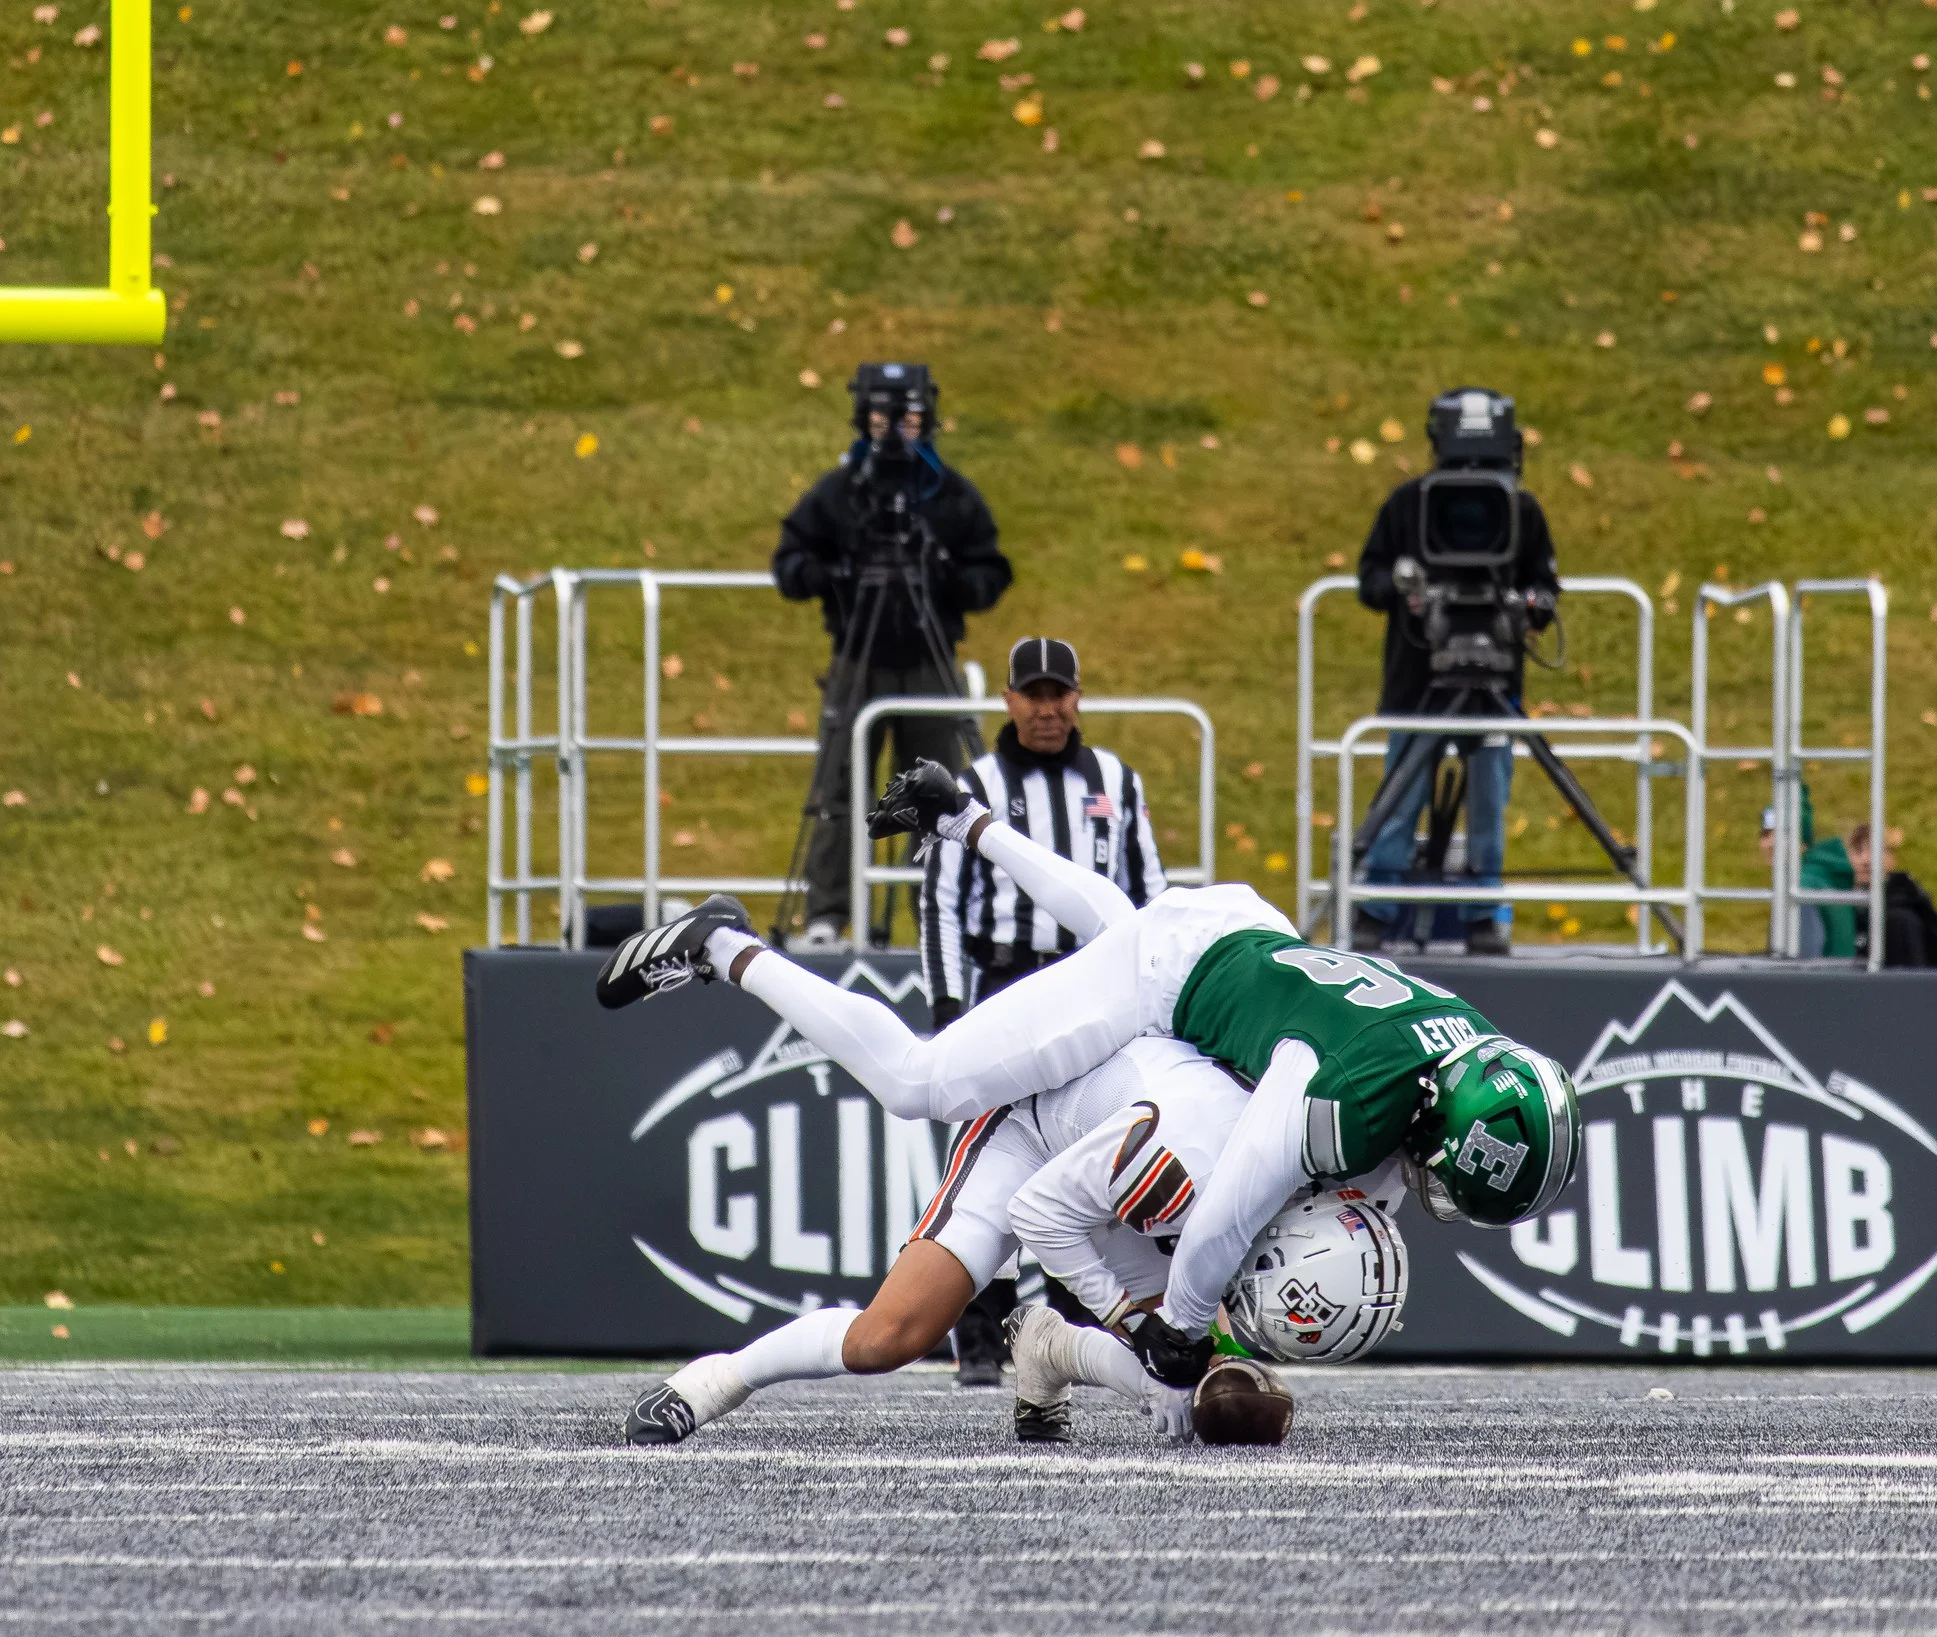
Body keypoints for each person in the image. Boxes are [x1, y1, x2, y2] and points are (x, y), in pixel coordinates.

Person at [596, 759, 1578, 1389]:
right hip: (1171, 976)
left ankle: (965, 819)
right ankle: (724, 945)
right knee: (915, 1081)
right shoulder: (1344, 1094)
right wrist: (1179, 1326)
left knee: (1127, 924)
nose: (1431, 1191)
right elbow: (1234, 1204)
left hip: (1239, 939)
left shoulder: (1463, 1050)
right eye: (1445, 1174)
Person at [621, 1029, 1232, 1448]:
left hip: (1131, 1158)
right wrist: (1132, 1320)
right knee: (887, 1337)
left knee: (1195, 1381)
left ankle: (1052, 1349)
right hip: (1034, 1131)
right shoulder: (1246, 1156)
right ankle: (721, 1379)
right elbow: (1041, 1213)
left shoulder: (1262, 1156)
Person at [922, 635, 1168, 1383]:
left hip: (1095, 988)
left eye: (1059, 693)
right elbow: (940, 901)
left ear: (1077, 697)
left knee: (1091, 1151)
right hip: (1006, 982)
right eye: (1033, 694)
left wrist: (1158, 993)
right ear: (1009, 700)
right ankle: (979, 1336)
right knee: (984, 1158)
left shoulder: (1117, 780)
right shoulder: (977, 783)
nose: (1047, 708)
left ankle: (1071, 1329)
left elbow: (1149, 891)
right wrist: (948, 1004)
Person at [772, 362, 1012, 951]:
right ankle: (825, 916)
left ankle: (935, 913)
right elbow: (789, 563)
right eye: (883, 416)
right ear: (863, 417)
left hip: (930, 661)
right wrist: (835, 574)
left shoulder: (950, 495)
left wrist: (942, 573)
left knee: (938, 792)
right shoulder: (840, 491)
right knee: (838, 786)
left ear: (928, 418)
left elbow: (991, 573)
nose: (896, 430)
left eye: (909, 416)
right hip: (856, 659)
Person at [1352, 388, 1561, 957]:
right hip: (1416, 684)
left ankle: (1482, 915)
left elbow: (1545, 589)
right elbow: (1369, 581)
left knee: (1488, 802)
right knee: (1400, 799)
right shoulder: (1407, 506)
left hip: (1494, 685)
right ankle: (1375, 908)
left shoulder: (1521, 511)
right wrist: (1405, 591)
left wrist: (1527, 605)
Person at [1848, 823, 1937, 969]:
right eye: (1858, 851)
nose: (1865, 860)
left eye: (1875, 851)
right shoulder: (1838, 907)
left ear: (1892, 859)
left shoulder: (1902, 918)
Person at [1759, 781, 1856, 959]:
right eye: (1765, 834)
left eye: (1782, 833)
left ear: (1801, 840)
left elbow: (1803, 964)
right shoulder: (1821, 877)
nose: (1770, 843)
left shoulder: (1801, 888)